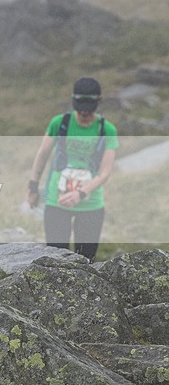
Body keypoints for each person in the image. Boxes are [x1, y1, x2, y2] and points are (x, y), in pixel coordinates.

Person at [27, 77, 119, 261]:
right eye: (80, 107)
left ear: (99, 101)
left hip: (90, 204)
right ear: (72, 100)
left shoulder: (107, 130)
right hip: (56, 201)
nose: (84, 113)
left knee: (86, 261)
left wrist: (81, 193)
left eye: (89, 107)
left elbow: (105, 172)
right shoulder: (59, 123)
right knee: (55, 260)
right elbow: (42, 155)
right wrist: (33, 187)